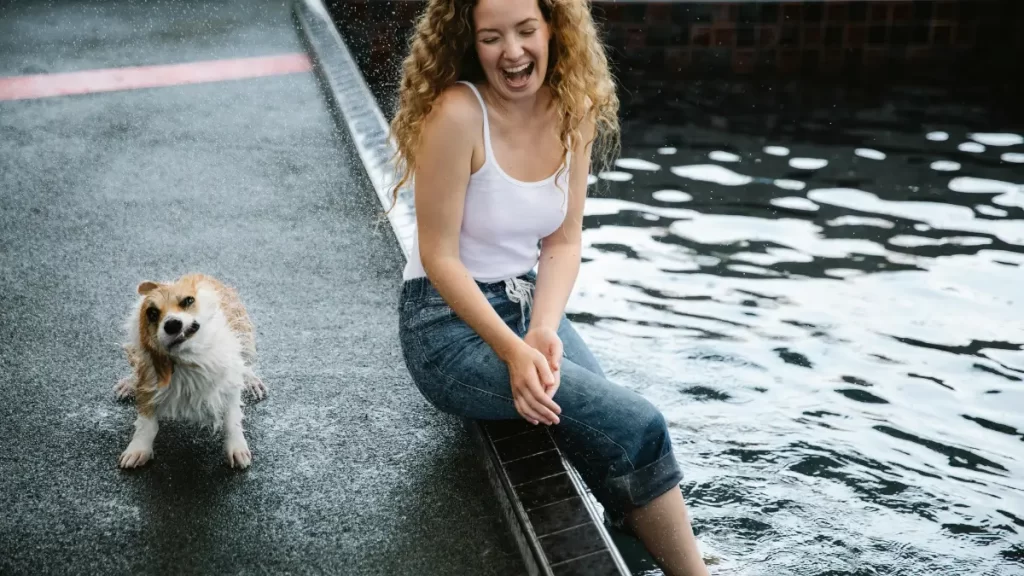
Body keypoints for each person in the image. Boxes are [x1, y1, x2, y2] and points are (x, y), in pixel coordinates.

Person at [387, 0, 709, 574]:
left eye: (525, 30)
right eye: (491, 38)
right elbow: (438, 257)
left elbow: (562, 242)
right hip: (443, 327)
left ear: (554, 28)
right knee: (640, 423)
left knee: (607, 431)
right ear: (471, 42)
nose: (512, 51)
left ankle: (635, 548)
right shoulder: (458, 114)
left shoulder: (574, 109)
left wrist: (540, 327)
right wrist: (513, 351)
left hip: (524, 301)